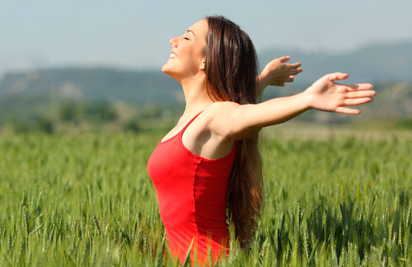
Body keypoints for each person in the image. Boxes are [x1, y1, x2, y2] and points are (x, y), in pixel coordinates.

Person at [146, 15, 375, 266]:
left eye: (187, 37)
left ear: (205, 60)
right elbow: (237, 102)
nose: (173, 41)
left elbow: (243, 114)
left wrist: (306, 98)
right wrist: (264, 79)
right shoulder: (196, 119)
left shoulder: (214, 117)